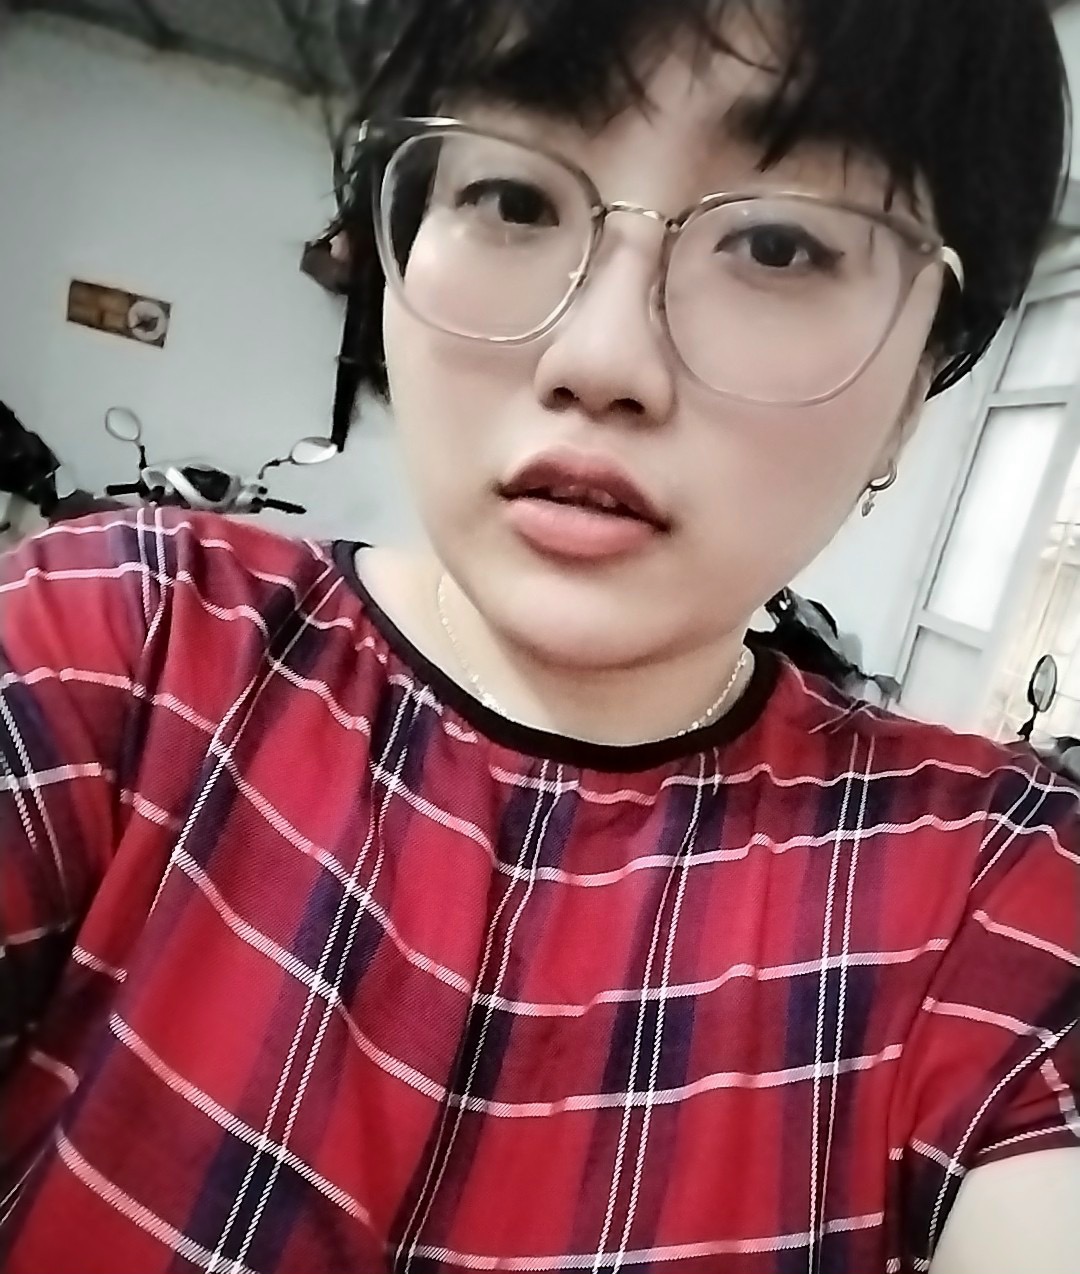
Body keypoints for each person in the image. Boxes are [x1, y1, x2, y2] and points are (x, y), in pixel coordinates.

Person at [0, 1, 1077, 1270]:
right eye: (512, 199)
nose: (601, 357)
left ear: (919, 383)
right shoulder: (126, 636)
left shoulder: (987, 884)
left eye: (779, 244)